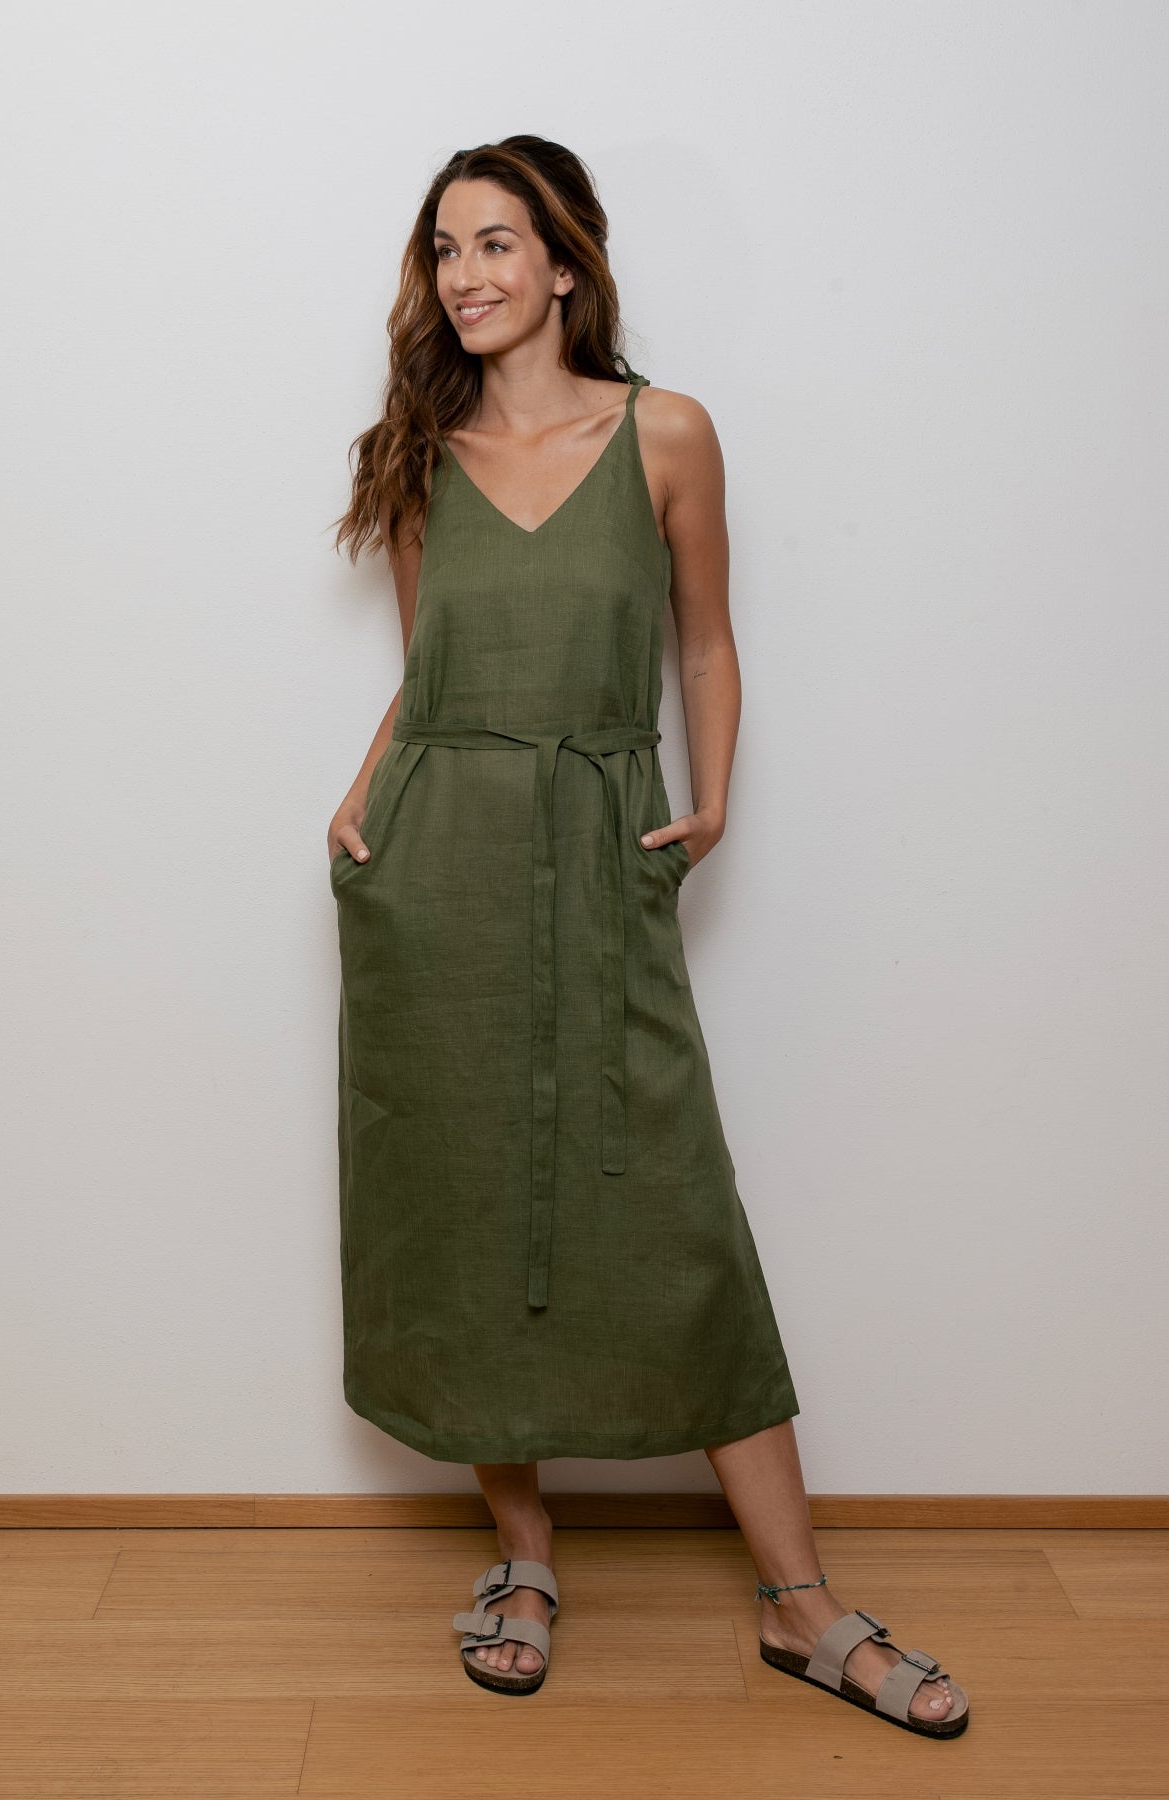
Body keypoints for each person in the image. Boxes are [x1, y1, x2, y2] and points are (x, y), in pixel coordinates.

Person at [328, 135, 968, 1736]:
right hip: (437, 865)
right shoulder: (418, 456)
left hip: (601, 848)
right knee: (459, 1202)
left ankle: (799, 1604)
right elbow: (425, 673)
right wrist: (356, 806)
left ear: (565, 265)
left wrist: (715, 796)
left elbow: (704, 638)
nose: (465, 275)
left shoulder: (665, 432)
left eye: (495, 242)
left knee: (676, 1215)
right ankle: (523, 1556)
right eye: (443, 249)